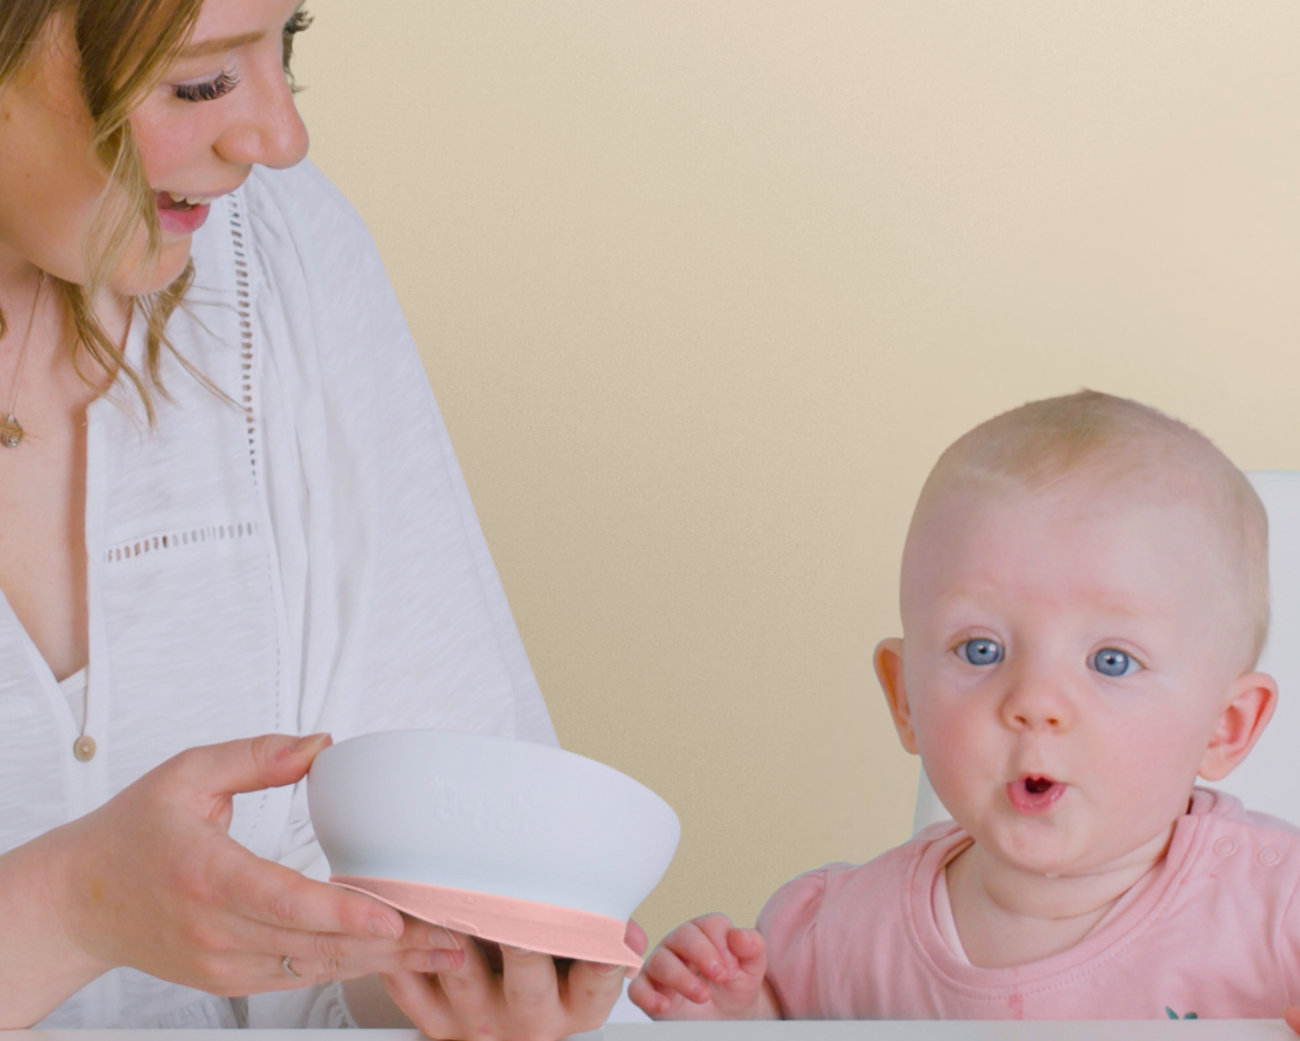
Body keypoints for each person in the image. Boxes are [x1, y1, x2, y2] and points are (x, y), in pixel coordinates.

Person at [0, 1, 639, 1036]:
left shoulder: (276, 260)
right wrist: (71, 908)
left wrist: (442, 986)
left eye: (285, 44)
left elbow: (421, 868)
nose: (279, 138)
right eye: (197, 81)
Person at [631, 389, 1300, 1028]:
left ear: (1226, 724)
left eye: (1111, 661)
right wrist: (733, 1017)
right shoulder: (839, 933)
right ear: (905, 699)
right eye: (981, 649)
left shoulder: (1280, 913)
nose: (1035, 702)